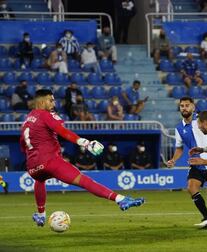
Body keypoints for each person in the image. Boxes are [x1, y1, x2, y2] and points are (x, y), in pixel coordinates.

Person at [20, 89, 144, 227]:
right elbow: (63, 131)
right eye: (51, 100)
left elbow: (23, 145)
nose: (54, 103)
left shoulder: (27, 120)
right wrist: (85, 143)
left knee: (39, 180)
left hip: (32, 166)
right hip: (50, 161)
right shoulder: (46, 115)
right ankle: (120, 199)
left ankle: (41, 215)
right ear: (42, 101)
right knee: (83, 180)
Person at [166, 97, 207, 228]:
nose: (184, 108)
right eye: (182, 106)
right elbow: (179, 148)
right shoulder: (179, 128)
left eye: (187, 105)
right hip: (196, 163)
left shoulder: (201, 121)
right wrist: (173, 160)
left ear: (193, 107)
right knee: (191, 187)